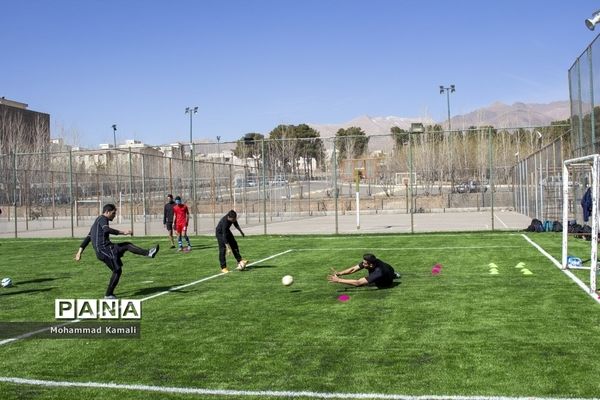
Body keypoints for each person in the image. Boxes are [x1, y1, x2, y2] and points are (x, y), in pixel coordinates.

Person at [74, 203, 159, 299]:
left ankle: (149, 253)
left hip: (107, 248)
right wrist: (123, 232)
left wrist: (79, 252)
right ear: (107, 212)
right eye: (113, 213)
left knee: (126, 246)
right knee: (117, 270)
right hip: (105, 250)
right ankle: (108, 295)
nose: (115, 216)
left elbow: (88, 238)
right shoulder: (103, 219)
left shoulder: (97, 222)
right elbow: (106, 230)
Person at [327, 253, 400, 288]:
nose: (362, 264)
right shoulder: (372, 261)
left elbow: (358, 282)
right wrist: (340, 273)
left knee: (366, 283)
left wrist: (339, 280)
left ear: (371, 265)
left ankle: (391, 276)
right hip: (390, 269)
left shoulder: (378, 272)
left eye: (364, 263)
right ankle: (393, 274)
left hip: (385, 281)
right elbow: (353, 269)